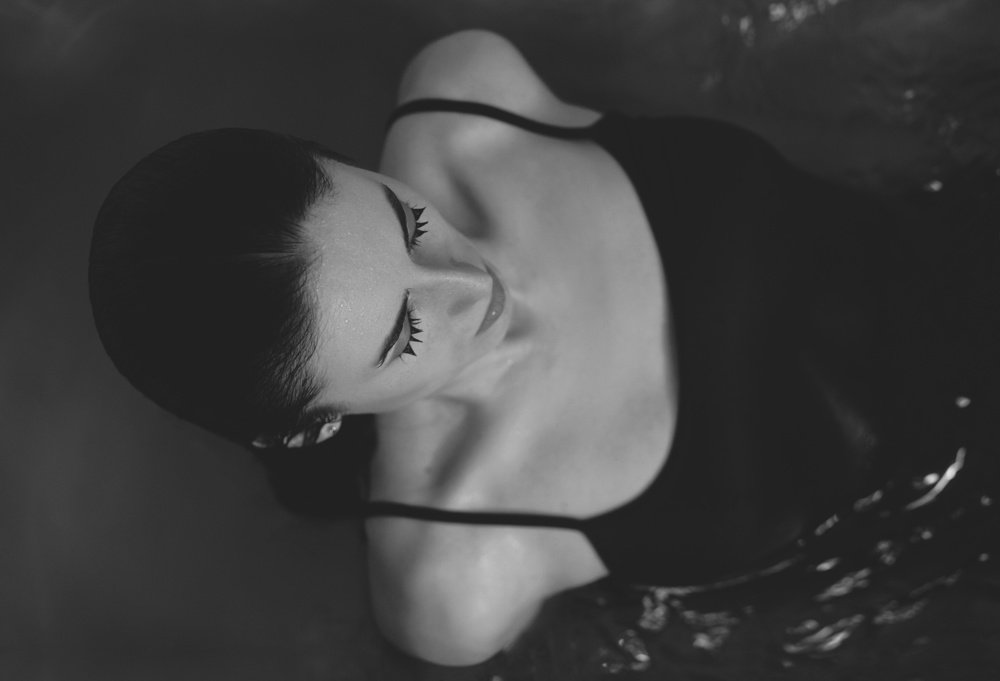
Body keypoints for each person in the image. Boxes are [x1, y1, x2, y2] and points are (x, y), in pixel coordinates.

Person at [88, 29, 999, 667]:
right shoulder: (460, 572)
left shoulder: (470, 99)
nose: (470, 282)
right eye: (405, 333)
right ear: (315, 424)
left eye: (408, 222)